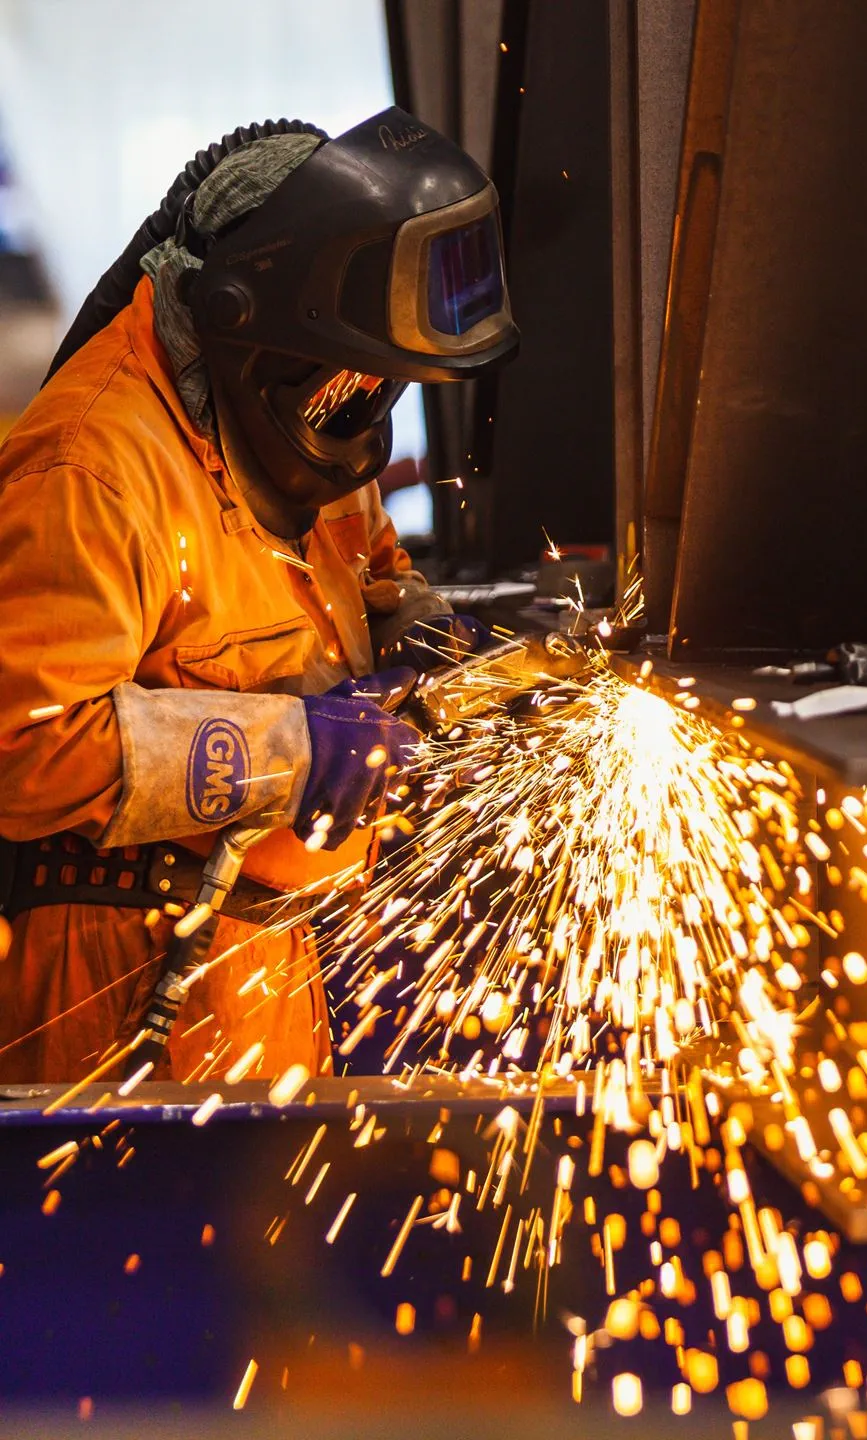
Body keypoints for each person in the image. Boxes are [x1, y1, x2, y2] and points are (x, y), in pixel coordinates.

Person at [0, 108, 518, 1082]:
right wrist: (291, 751)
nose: (363, 407)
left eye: (380, 387)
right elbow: (21, 746)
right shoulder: (91, 467)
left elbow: (367, 575)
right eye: (350, 385)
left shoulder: (304, 412)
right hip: (112, 984)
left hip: (263, 958)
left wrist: (423, 638)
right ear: (249, 327)